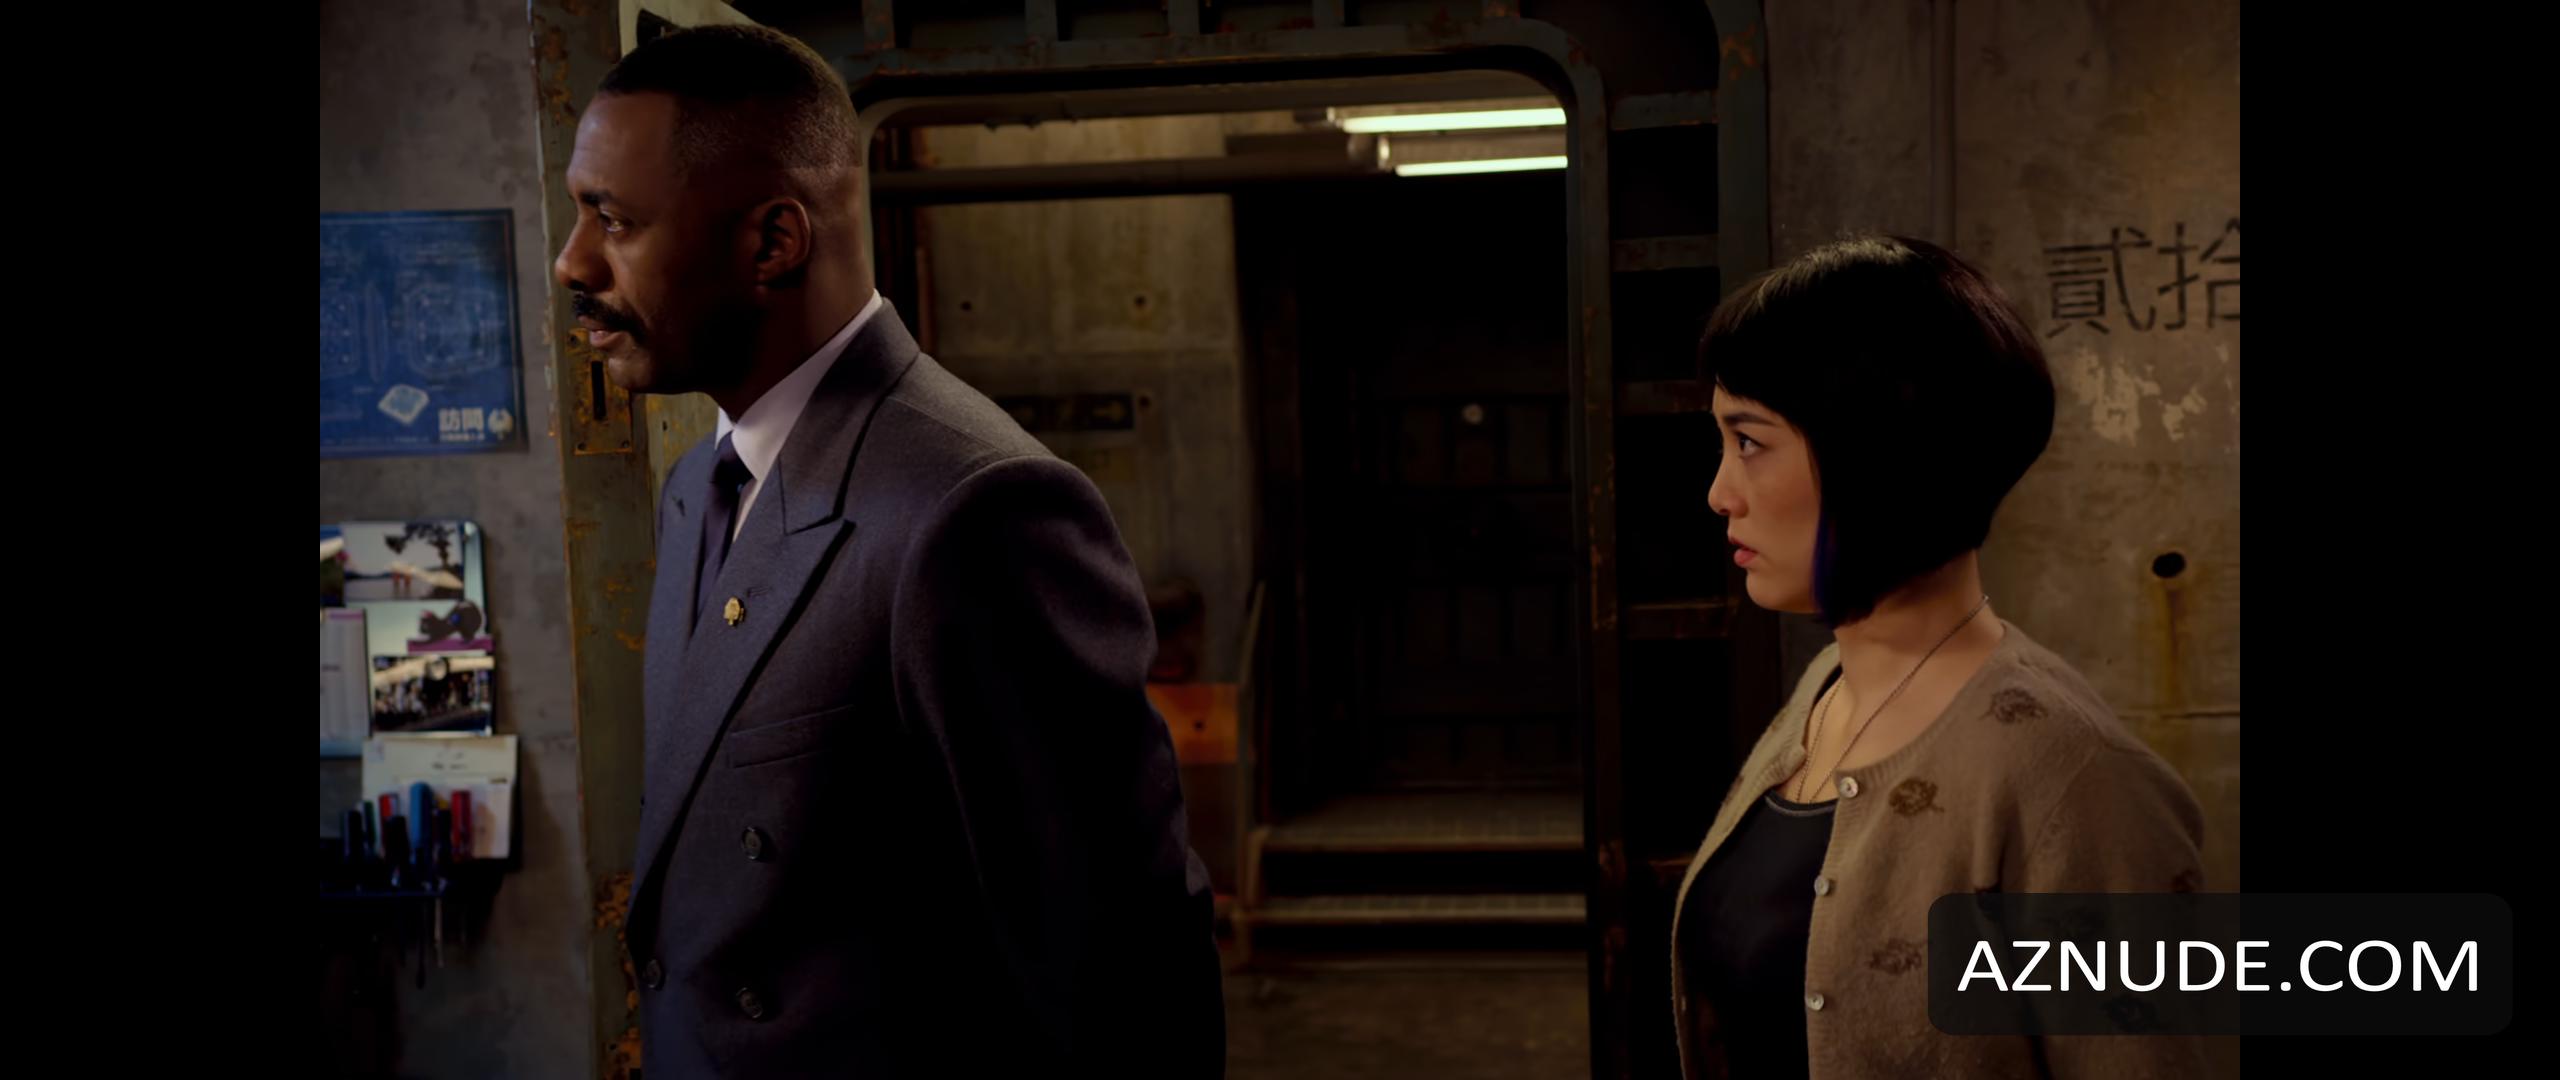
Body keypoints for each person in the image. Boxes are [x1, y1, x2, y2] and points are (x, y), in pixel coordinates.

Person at [551, 25, 1224, 1077]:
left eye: (614, 221)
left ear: (773, 243)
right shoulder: (697, 489)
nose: (572, 262)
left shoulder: (975, 511)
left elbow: (1122, 966)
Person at [1669, 235, 2208, 1079]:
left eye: (1750, 442)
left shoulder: (2073, 774)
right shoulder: (1827, 686)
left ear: (1877, 453)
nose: (1718, 494)